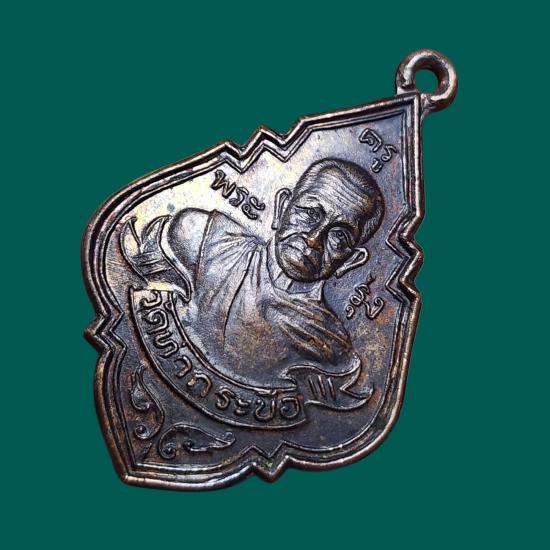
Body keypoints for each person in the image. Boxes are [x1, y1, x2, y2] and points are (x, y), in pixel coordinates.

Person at [124, 158, 384, 389]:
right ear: (282, 207)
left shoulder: (330, 346)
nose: (314, 239)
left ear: (350, 261)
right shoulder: (202, 238)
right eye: (309, 214)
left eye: (339, 236)